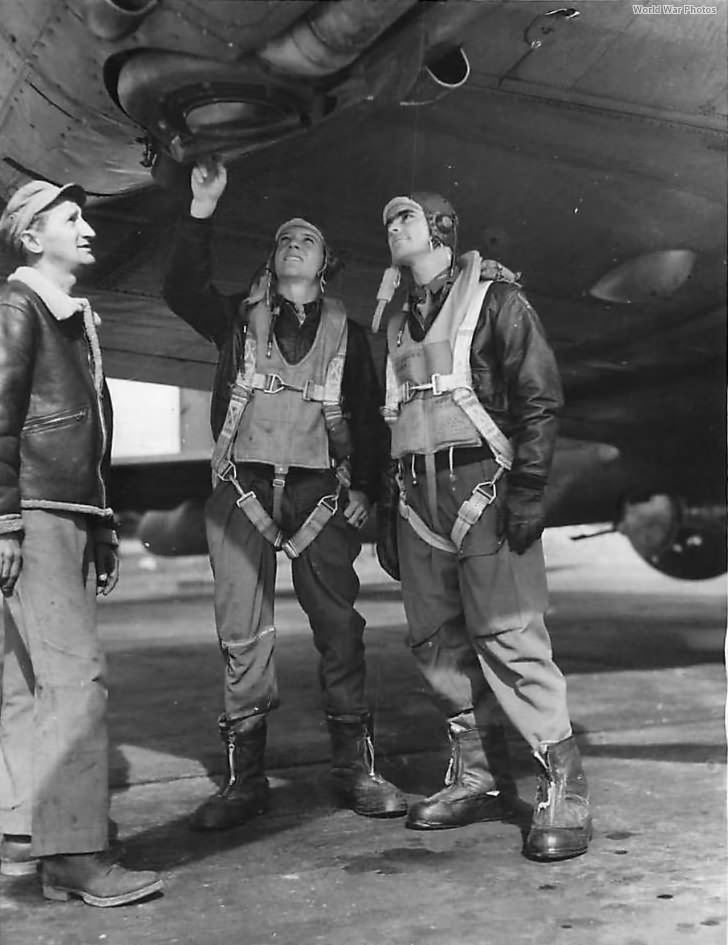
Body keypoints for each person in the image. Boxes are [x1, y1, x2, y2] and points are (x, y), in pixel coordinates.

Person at [162, 158, 406, 830]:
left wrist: (370, 497)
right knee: (242, 634)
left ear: (325, 264)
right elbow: (180, 285)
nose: (294, 241)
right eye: (284, 238)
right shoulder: (236, 323)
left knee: (340, 632)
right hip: (242, 491)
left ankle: (356, 767)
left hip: (321, 496)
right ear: (273, 262)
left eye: (308, 238)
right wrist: (201, 209)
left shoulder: (348, 338)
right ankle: (245, 780)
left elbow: (368, 417)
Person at [374, 192, 592, 861]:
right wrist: (391, 507)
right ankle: (474, 774)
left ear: (441, 229)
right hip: (418, 497)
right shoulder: (394, 320)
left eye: (404, 217)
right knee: (433, 636)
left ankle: (565, 786)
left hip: (484, 489)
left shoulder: (497, 301)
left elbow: (539, 396)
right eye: (387, 223)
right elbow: (387, 415)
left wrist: (528, 490)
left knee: (510, 632)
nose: (392, 228)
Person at [0, 180, 162, 904]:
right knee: (74, 681)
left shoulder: (60, 311)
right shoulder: (20, 305)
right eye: (70, 218)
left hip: (57, 508)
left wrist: (99, 524)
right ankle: (73, 851)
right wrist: (4, 520)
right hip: (35, 512)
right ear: (33, 238)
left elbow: (80, 434)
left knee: (25, 683)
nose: (87, 226)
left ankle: (20, 832)